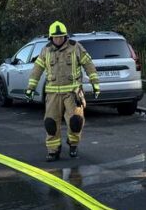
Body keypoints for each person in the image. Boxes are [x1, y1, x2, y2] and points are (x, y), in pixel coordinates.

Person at [25, 21, 100, 162]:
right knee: (51, 123)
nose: (58, 39)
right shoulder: (45, 50)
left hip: (73, 93)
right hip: (53, 95)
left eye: (60, 37)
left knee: (76, 122)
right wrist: (30, 88)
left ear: (65, 36)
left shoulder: (75, 47)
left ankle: (73, 145)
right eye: (55, 37)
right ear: (51, 38)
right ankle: (53, 151)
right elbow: (37, 69)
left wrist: (95, 83)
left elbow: (88, 64)